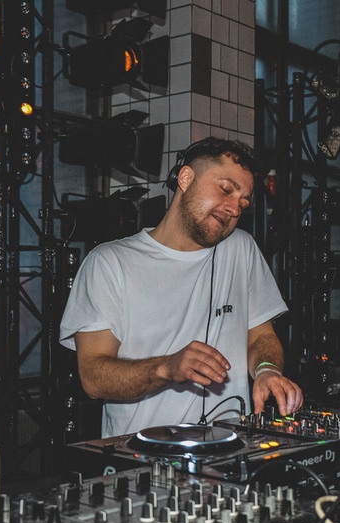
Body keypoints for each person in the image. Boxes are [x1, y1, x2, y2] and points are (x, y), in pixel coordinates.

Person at [60, 137, 303, 437]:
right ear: (185, 179)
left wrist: (267, 370)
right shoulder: (109, 262)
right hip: (142, 454)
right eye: (226, 189)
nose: (234, 209)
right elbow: (93, 377)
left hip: (228, 449)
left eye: (242, 203)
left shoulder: (242, 248)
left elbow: (261, 335)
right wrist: (166, 367)